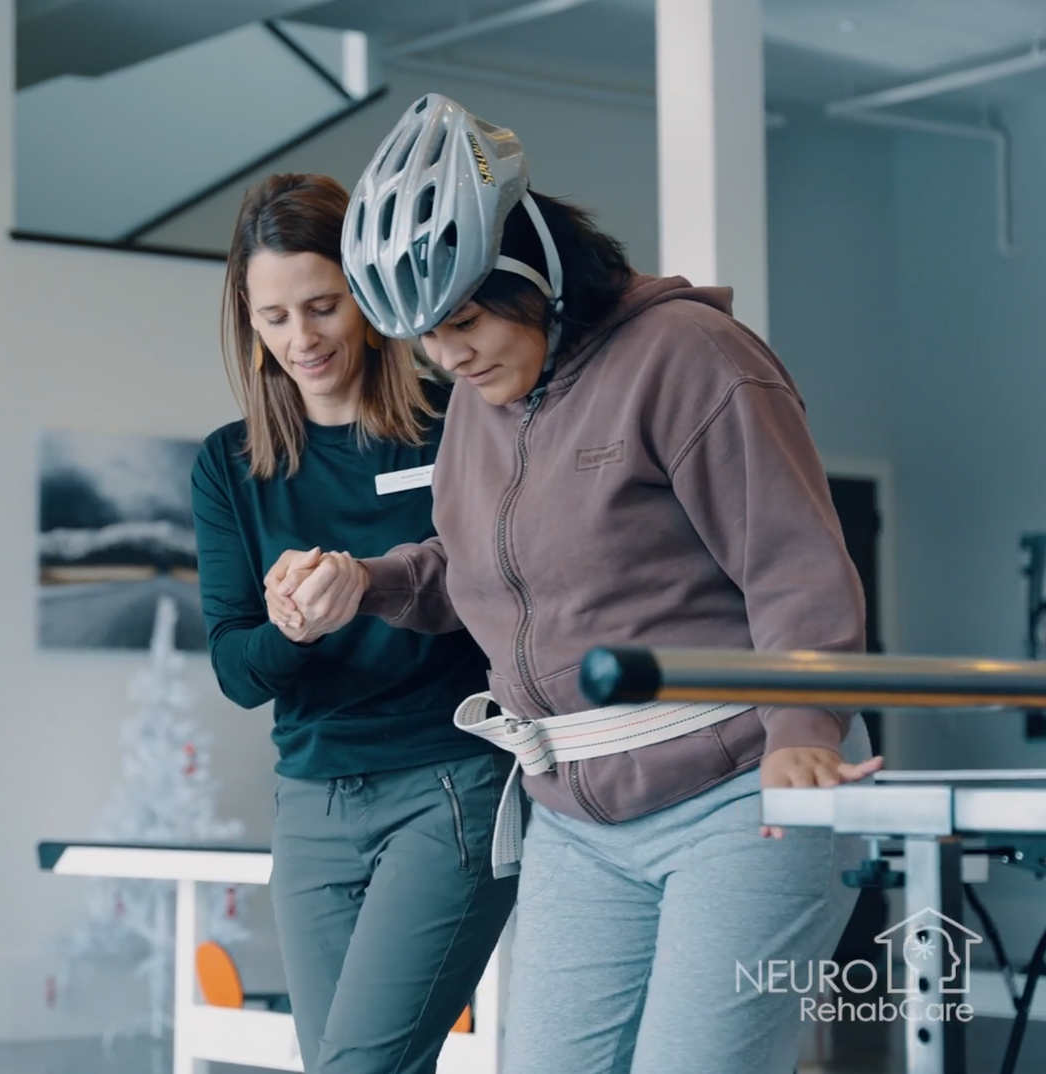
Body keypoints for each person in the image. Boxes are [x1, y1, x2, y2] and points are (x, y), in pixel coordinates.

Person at [267, 94, 885, 1074]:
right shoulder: (482, 398)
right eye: (424, 337)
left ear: (537, 272)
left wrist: (804, 731)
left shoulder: (688, 358)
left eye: (464, 321)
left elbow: (795, 566)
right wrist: (368, 581)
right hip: (575, 820)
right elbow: (468, 570)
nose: (447, 356)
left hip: (736, 796)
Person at [190, 172, 515, 1074]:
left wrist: (369, 584)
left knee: (360, 1065)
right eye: (274, 317)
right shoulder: (229, 465)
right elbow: (236, 670)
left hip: (448, 783)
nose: (302, 339)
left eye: (323, 306)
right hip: (311, 801)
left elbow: (507, 592)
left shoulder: (459, 422)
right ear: (249, 322)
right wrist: (294, 626)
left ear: (368, 297)